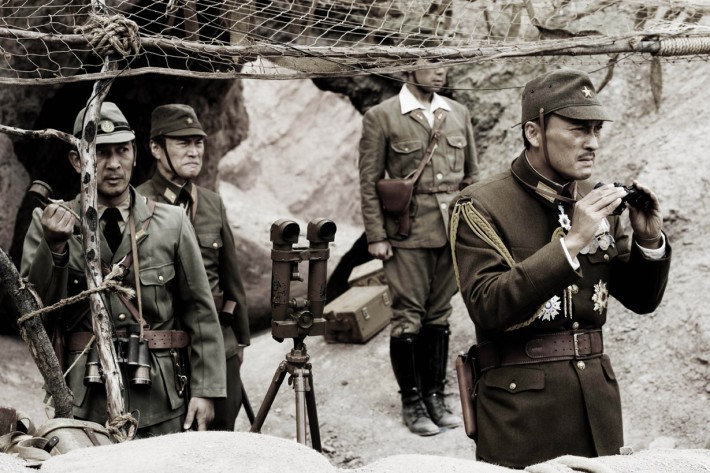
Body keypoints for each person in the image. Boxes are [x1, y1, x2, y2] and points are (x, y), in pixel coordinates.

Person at [449, 69, 671, 468]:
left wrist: (649, 241)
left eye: (597, 129)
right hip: (522, 412)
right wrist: (571, 244)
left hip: (596, 403)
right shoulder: (480, 205)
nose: (593, 144)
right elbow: (488, 307)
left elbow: (640, 300)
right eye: (577, 130)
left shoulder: (593, 199)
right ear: (534, 133)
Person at [21, 102, 226, 437]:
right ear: (77, 160)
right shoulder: (49, 224)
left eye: (122, 150)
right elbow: (37, 314)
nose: (114, 164)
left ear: (135, 152)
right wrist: (54, 247)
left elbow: (200, 311)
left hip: (160, 396)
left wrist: (205, 389)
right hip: (85, 399)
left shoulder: (172, 222)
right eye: (100, 153)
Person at [359, 64, 479, 436]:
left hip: (452, 232)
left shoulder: (457, 113)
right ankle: (412, 402)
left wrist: (473, 228)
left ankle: (436, 397)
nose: (441, 70)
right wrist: (376, 235)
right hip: (407, 232)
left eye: (445, 63)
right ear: (410, 67)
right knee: (408, 315)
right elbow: (369, 181)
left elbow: (472, 176)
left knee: (439, 315)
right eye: (432, 62)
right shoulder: (381, 117)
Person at [136, 104, 250, 431]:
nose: (194, 151)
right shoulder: (138, 204)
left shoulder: (211, 202)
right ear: (156, 149)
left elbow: (231, 277)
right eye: (183, 143)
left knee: (222, 432)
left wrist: (237, 344)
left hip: (218, 341)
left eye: (198, 143)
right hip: (166, 345)